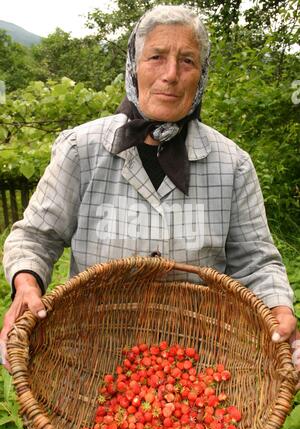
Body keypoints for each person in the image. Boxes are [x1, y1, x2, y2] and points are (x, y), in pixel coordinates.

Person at [0, 5, 299, 386]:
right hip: (91, 363)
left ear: (201, 76)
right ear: (133, 66)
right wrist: (27, 283)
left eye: (187, 61)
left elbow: (257, 262)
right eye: (156, 56)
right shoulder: (83, 149)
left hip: (199, 367)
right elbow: (35, 237)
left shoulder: (232, 164)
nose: (170, 75)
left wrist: (279, 308)